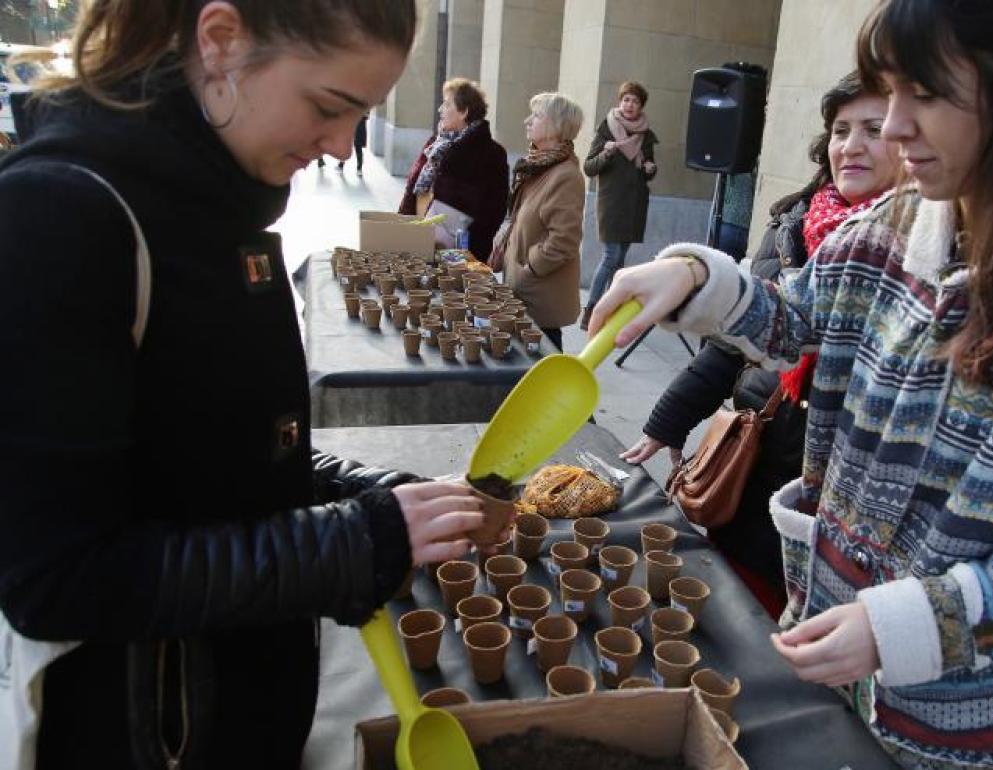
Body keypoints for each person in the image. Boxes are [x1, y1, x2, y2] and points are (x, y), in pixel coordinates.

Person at [591, 2, 993, 767]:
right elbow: (792, 319)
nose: (896, 126)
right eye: (888, 90)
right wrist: (693, 275)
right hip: (828, 649)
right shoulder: (888, 228)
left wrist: (910, 624)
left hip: (959, 721)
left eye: (926, 93)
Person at [0, 2, 487, 767]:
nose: (338, 144)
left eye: (358, 117)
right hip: (145, 729)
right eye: (329, 108)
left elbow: (222, 457)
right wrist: (355, 544)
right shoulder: (62, 214)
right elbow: (57, 578)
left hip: (233, 708)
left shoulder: (212, 196)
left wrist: (372, 497)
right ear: (222, 40)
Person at [621, 72, 900, 618]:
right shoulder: (794, 223)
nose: (852, 145)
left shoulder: (914, 255)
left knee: (801, 628)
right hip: (760, 454)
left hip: (840, 488)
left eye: (875, 128)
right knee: (730, 609)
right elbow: (741, 337)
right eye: (842, 129)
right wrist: (668, 420)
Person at [492, 92, 584, 351]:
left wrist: (529, 269)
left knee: (544, 365)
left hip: (540, 295)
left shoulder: (566, 175)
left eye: (537, 115)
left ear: (556, 127)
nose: (527, 121)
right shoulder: (537, 166)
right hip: (521, 289)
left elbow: (564, 241)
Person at [398, 77, 508, 260]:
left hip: (456, 256)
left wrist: (462, 249)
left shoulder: (491, 154)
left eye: (447, 104)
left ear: (464, 111)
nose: (440, 109)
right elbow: (413, 189)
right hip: (417, 243)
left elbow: (494, 211)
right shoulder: (436, 143)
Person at [580, 81, 657, 329]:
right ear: (619, 101)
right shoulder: (607, 129)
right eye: (626, 99)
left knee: (621, 258)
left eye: (634, 101)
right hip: (612, 203)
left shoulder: (645, 135)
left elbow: (648, 168)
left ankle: (609, 309)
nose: (629, 104)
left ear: (640, 105)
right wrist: (606, 153)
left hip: (634, 204)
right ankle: (591, 311)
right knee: (611, 256)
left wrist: (650, 169)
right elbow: (589, 167)